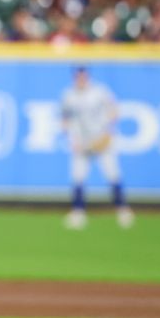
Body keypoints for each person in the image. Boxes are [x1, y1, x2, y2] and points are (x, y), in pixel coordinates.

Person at [61, 66, 134, 230]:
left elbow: (114, 110)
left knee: (112, 174)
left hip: (101, 139)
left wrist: (109, 132)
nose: (81, 78)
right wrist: (71, 138)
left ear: (87, 76)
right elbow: (64, 118)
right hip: (82, 141)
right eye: (78, 75)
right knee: (78, 176)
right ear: (74, 77)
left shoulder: (99, 91)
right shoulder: (69, 95)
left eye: (83, 75)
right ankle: (78, 213)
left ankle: (123, 211)